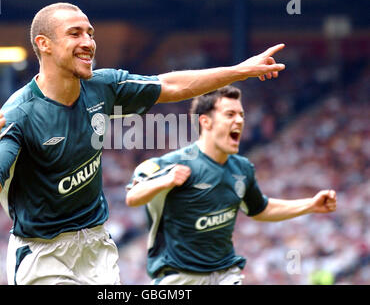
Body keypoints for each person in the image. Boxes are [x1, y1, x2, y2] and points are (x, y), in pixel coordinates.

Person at [0, 2, 285, 285]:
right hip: (43, 255)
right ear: (44, 44)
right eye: (75, 34)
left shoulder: (102, 86)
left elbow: (171, 85)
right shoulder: (18, 115)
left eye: (90, 34)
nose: (88, 42)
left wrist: (240, 71)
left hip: (97, 247)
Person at [125, 85, 337, 285]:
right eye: (230, 114)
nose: (239, 121)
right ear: (205, 122)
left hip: (225, 274)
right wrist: (166, 180)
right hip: (178, 278)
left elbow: (261, 208)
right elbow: (133, 197)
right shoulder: (170, 165)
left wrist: (310, 205)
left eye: (241, 115)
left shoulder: (242, 168)